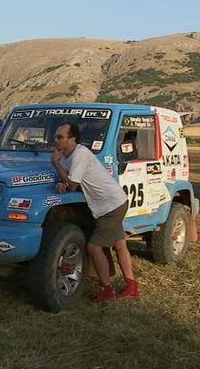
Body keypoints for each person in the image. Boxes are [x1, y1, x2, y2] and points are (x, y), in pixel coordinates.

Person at [51, 122, 139, 303]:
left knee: (94, 247)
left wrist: (56, 164)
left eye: (60, 137)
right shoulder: (69, 156)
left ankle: (106, 289)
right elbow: (70, 182)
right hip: (112, 202)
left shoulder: (80, 154)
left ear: (72, 139)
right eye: (55, 137)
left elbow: (73, 185)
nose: (56, 140)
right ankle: (131, 286)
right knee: (119, 245)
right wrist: (63, 182)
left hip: (110, 205)